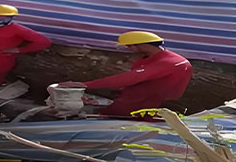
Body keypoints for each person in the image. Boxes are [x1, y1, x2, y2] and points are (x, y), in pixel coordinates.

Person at [60, 31, 192, 116]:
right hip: (149, 96)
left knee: (117, 113)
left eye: (130, 46)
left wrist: (85, 84)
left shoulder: (168, 62)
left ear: (142, 45)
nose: (129, 50)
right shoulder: (156, 58)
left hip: (141, 102)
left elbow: (128, 78)